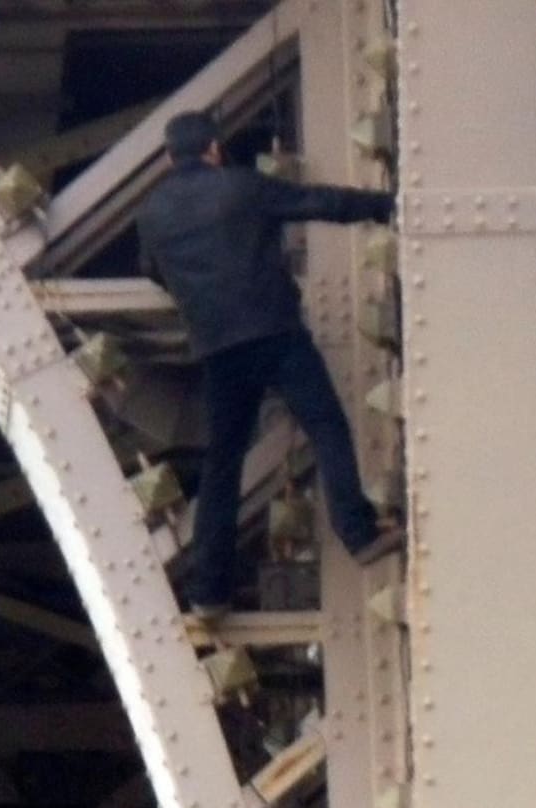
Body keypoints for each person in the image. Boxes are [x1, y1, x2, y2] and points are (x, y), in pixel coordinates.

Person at [135, 110, 402, 619]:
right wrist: (384, 205)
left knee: (222, 466)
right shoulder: (241, 187)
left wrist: (197, 300)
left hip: (217, 348)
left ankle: (210, 591)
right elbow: (317, 202)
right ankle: (359, 532)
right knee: (325, 425)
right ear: (214, 149)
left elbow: (152, 269)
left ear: (170, 158)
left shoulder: (152, 215)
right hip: (275, 333)